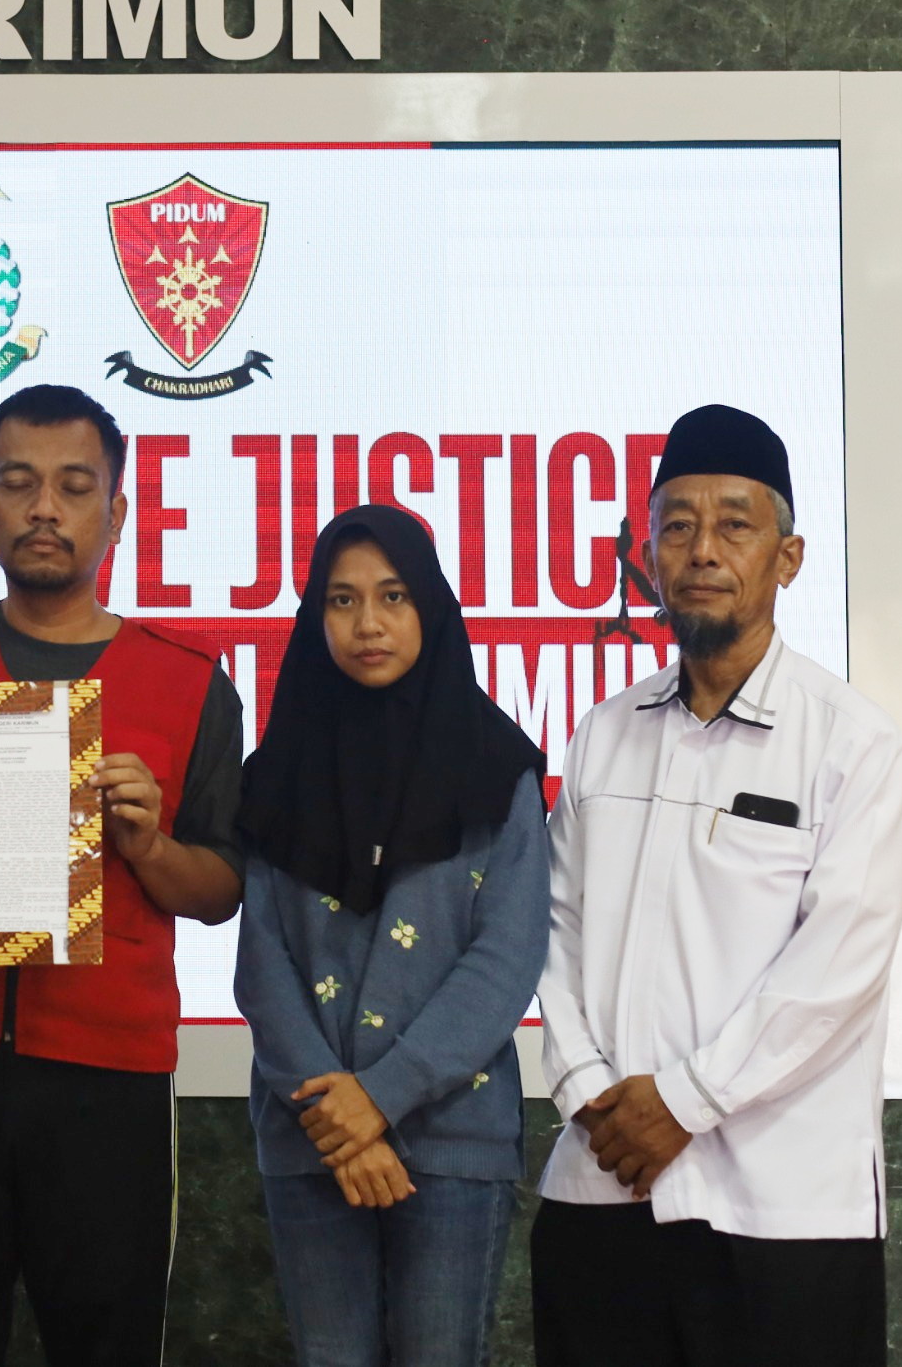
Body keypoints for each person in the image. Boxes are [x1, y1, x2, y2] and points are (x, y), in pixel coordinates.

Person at [0, 382, 247, 1367]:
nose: (43, 508)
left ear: (116, 511)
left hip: (104, 1082)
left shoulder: (187, 677)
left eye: (74, 486)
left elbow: (223, 888)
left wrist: (149, 846)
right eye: (17, 483)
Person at [531, 405, 902, 1367]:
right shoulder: (604, 733)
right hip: (604, 1187)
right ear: (649, 554)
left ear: (788, 558)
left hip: (783, 1214)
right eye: (678, 525)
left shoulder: (852, 743)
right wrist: (584, 1087)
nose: (703, 549)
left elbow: (837, 968)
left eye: (734, 525)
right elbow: (551, 926)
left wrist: (687, 1101)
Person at [234, 505, 550, 1367]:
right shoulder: (276, 775)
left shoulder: (499, 770)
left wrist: (379, 1099)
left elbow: (507, 957)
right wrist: (337, 1117)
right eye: (341, 600)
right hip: (312, 1136)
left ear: (431, 608)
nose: (367, 622)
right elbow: (262, 966)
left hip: (452, 1136)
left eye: (393, 595)